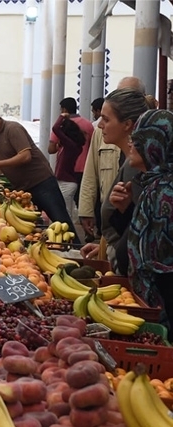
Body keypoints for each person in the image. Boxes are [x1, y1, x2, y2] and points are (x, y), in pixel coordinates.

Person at [0, 105, 79, 240]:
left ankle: (78, 252)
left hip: (42, 181)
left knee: (61, 220)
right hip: (22, 188)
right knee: (32, 227)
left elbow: (25, 156)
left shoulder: (12, 129)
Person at [79, 88, 149, 269]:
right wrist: (105, 246)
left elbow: (141, 231)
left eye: (106, 119)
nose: (100, 124)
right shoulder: (130, 164)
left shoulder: (140, 168)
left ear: (127, 124)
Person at [125, 109, 173, 337]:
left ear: (155, 146)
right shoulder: (153, 184)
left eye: (138, 140)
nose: (131, 145)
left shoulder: (164, 191)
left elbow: (155, 257)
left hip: (165, 302)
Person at [49, 97, 93, 223]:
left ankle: (70, 238)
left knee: (64, 212)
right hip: (83, 171)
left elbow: (55, 130)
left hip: (67, 180)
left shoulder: (70, 145)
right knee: (78, 206)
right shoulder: (88, 125)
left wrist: (62, 117)